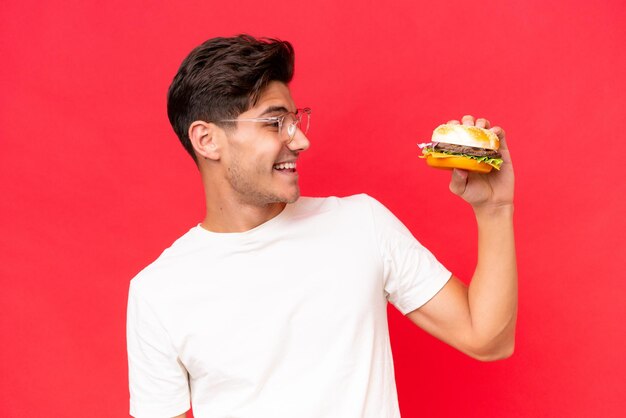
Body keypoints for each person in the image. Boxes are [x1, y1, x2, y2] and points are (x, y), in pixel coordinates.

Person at [126, 34, 517, 418]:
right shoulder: (158, 292)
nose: (299, 142)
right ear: (207, 140)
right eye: (274, 122)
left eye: (295, 121)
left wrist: (495, 209)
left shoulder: (362, 224)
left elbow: (487, 339)